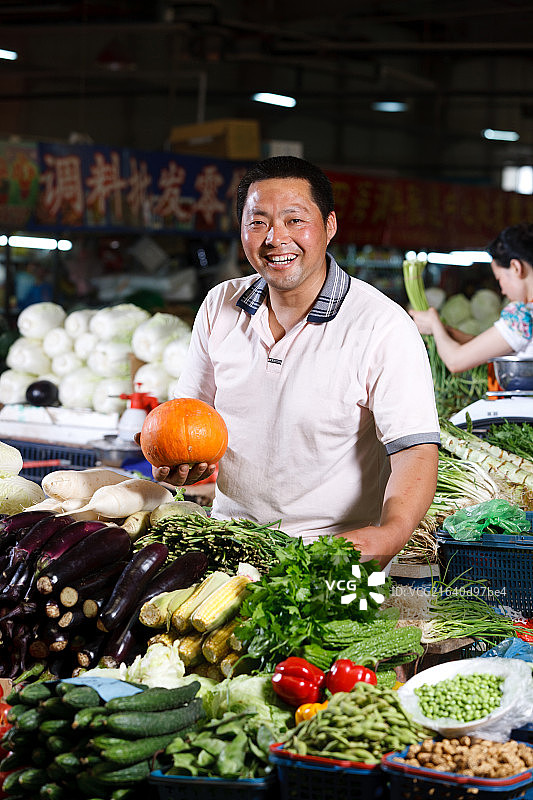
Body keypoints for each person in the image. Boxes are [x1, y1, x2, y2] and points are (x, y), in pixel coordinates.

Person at [148, 156, 440, 567]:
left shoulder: (381, 325)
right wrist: (176, 465)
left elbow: (415, 450)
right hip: (232, 544)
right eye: (258, 222)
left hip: (338, 556)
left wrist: (390, 532)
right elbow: (186, 418)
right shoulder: (220, 305)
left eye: (294, 220)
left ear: (329, 226)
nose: (275, 238)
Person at [409, 223, 533, 372]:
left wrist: (434, 323)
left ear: (516, 268)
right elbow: (491, 345)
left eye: (499, 279)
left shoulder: (522, 316)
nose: (502, 290)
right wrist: (445, 331)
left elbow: (455, 361)